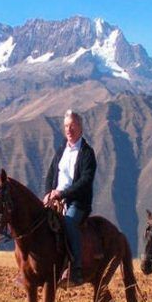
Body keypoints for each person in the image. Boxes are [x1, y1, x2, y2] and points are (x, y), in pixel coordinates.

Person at [43, 110, 96, 287]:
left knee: (68, 223)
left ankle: (76, 269)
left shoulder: (87, 153)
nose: (69, 129)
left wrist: (63, 194)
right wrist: (48, 193)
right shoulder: (61, 151)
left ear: (80, 127)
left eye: (72, 126)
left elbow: (85, 181)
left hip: (77, 202)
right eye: (66, 126)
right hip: (55, 199)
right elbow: (51, 173)